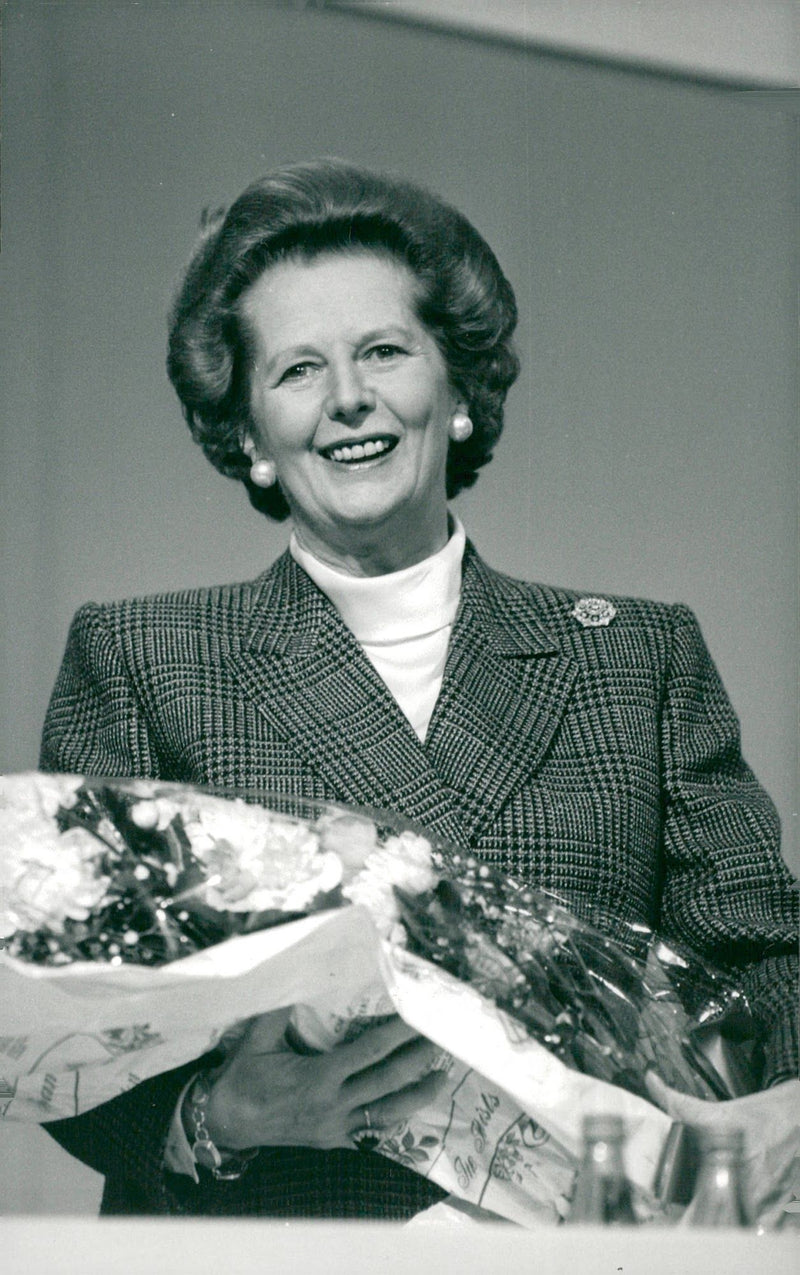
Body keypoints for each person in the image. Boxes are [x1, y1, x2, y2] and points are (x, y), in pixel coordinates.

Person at [39, 159, 798, 1220]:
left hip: (586, 1242)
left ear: (454, 395)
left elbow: (762, 964)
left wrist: (786, 1111)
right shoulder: (144, 655)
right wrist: (222, 1114)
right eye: (297, 370)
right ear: (252, 438)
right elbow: (64, 1013)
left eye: (384, 352)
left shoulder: (637, 655)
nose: (348, 396)